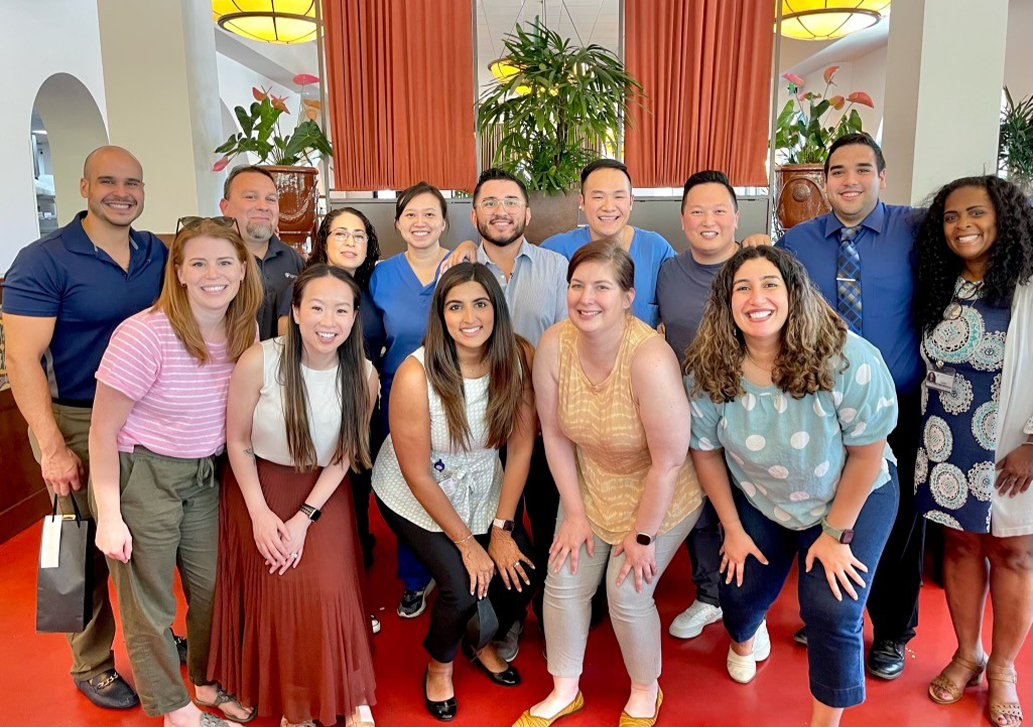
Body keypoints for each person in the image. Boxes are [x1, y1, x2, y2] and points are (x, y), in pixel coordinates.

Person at [684, 245, 899, 727]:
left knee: (831, 606)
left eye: (769, 285)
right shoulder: (707, 368)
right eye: (742, 287)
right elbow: (705, 451)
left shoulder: (849, 358)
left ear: (794, 294)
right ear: (726, 302)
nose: (756, 297)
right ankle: (745, 639)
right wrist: (732, 528)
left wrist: (835, 533)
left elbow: (867, 456)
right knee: (737, 588)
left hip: (851, 494)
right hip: (763, 497)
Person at [2, 146, 167, 710]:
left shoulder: (157, 253)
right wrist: (51, 447)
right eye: (108, 182)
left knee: (144, 538)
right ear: (83, 187)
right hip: (75, 416)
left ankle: (157, 641)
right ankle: (90, 661)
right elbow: (23, 361)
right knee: (83, 547)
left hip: (147, 416)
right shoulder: (43, 259)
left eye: (132, 182)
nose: (122, 192)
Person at [516, 240, 703, 727]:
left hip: (660, 492)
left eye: (602, 286)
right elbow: (554, 436)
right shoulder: (555, 345)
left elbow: (668, 461)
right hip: (591, 482)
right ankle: (565, 690)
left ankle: (646, 690)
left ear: (627, 297)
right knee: (562, 578)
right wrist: (574, 513)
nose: (586, 298)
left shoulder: (650, 358)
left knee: (626, 591)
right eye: (577, 285)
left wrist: (642, 537)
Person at [89, 218, 263, 727]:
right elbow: (101, 434)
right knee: (149, 600)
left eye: (225, 262)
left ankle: (206, 683)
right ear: (180, 273)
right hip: (143, 474)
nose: (215, 274)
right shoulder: (144, 335)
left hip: (204, 474)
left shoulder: (242, 328)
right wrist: (108, 515)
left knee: (210, 588)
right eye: (200, 263)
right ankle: (174, 708)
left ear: (242, 269)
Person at [776, 132, 925, 678]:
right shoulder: (799, 241)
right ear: (825, 180)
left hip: (900, 407)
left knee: (898, 521)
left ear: (881, 177)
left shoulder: (915, 229)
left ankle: (890, 632)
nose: (849, 180)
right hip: (822, 408)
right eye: (838, 171)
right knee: (823, 511)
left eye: (862, 169)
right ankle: (831, 611)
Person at [209, 264, 379, 727]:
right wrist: (261, 514)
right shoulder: (259, 360)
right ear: (296, 313)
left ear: (354, 317)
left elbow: (345, 454)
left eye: (341, 310)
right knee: (278, 581)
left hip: (322, 492)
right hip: (257, 485)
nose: (329, 321)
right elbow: (238, 442)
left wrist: (305, 517)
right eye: (318, 308)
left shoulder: (361, 373)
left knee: (324, 588)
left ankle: (339, 686)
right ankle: (296, 702)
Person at [372, 263, 539, 721]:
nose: (470, 316)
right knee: (462, 588)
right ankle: (439, 666)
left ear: (496, 310)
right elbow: (416, 472)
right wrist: (468, 544)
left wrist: (502, 531)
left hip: (481, 482)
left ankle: (478, 642)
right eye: (455, 305)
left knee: (519, 571)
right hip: (416, 489)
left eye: (480, 303)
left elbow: (521, 448)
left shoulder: (517, 359)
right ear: (441, 315)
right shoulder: (415, 374)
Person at [913, 175, 1032, 727]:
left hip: (1012, 446)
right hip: (947, 441)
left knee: (1013, 554)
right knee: (959, 549)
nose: (963, 226)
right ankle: (968, 652)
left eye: (976, 213)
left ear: (1002, 217)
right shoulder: (939, 283)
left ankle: (1004, 668)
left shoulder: (1026, 284)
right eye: (952, 216)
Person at [443, 167, 569, 655]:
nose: (501, 211)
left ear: (527, 213)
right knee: (495, 520)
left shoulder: (556, 268)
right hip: (478, 425)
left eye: (510, 201)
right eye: (490, 202)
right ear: (474, 214)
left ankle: (557, 605)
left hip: (544, 420)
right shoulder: (460, 271)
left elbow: (567, 344)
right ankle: (507, 613)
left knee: (550, 515)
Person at [656, 170, 741, 640]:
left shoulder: (758, 265)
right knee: (701, 510)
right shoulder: (668, 271)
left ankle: (751, 608)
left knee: (750, 510)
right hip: (690, 414)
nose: (708, 221)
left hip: (752, 412)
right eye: (697, 211)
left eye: (719, 210)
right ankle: (709, 596)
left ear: (735, 216)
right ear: (683, 219)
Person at [278, 208, 385, 573]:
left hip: (360, 402)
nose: (350, 242)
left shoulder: (370, 284)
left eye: (359, 235)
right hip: (314, 405)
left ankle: (354, 563)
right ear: (324, 239)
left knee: (355, 489)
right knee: (318, 486)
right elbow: (285, 347)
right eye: (340, 233)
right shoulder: (305, 284)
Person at [368, 182, 452, 618]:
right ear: (398, 222)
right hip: (396, 394)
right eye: (411, 215)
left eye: (429, 214)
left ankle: (453, 566)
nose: (420, 223)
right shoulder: (381, 273)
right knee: (406, 485)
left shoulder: (460, 265)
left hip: (452, 394)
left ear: (444, 222)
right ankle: (415, 578)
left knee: (450, 483)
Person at [539, 159, 674, 328]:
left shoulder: (656, 249)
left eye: (618, 196)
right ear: (582, 201)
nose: (609, 207)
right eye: (598, 196)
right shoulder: (554, 251)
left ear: (631, 201)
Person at [219, 165, 304, 340]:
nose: (263, 206)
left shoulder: (293, 260)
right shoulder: (209, 260)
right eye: (250, 197)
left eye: (271, 199)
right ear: (225, 207)